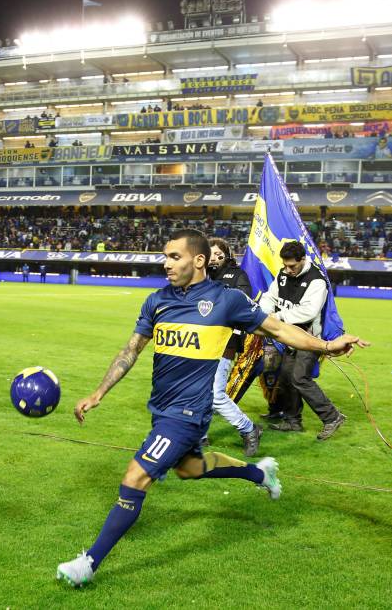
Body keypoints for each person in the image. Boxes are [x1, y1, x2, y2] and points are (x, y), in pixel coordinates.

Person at [56, 229, 368, 587]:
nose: (166, 263)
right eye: (165, 256)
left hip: (188, 414)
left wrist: (327, 346)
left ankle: (88, 564)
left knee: (135, 477)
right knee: (191, 468)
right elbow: (131, 351)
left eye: (174, 256)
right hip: (161, 408)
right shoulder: (156, 301)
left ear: (199, 260)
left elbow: (278, 330)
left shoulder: (226, 300)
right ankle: (260, 474)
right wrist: (99, 393)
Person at [258, 241, 347, 440]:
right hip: (290, 337)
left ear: (303, 259)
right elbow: (269, 297)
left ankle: (332, 417)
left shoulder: (317, 281)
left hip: (309, 339)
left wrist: (277, 317)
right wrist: (265, 313)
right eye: (285, 265)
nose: (288, 270)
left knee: (300, 378)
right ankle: (293, 421)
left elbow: (309, 312)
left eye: (292, 266)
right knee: (288, 377)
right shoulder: (282, 275)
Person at [207, 238, 262, 456]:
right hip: (201, 340)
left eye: (215, 253)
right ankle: (199, 436)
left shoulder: (238, 276)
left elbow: (242, 305)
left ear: (225, 254)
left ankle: (249, 429)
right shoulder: (202, 276)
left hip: (227, 340)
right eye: (208, 253)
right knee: (198, 390)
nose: (212, 257)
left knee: (215, 395)